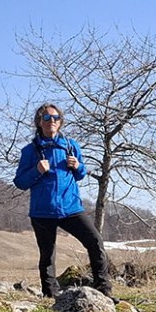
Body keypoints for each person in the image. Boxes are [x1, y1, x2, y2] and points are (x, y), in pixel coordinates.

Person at [12, 103, 112, 298]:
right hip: (42, 210)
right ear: (39, 122)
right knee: (47, 255)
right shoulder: (29, 151)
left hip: (70, 207)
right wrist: (37, 170)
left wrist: (78, 166)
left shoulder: (71, 146)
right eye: (47, 118)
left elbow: (80, 174)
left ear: (60, 122)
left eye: (55, 118)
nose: (52, 121)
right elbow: (20, 182)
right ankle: (51, 295)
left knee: (95, 241)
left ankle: (104, 291)